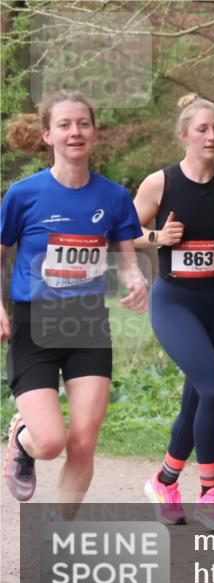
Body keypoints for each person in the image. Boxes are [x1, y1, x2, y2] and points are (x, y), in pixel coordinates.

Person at [1, 90, 148, 515]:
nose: (75, 132)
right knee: (51, 442)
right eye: (64, 125)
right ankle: (24, 436)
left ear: (94, 132)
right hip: (35, 323)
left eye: (83, 123)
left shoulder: (114, 197)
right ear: (48, 135)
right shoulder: (23, 195)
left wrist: (135, 280)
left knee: (83, 441)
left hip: (88, 323)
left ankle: (60, 534)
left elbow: (127, 259)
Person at [132, 94, 214, 531]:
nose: (211, 136)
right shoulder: (159, 183)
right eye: (202, 129)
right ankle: (209, 493)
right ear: (183, 135)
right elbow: (122, 233)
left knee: (199, 396)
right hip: (175, 302)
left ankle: (165, 481)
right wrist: (158, 238)